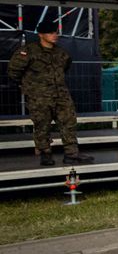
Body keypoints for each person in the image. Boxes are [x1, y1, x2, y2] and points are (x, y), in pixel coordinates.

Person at [8, 19, 94, 166]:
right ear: (41, 34)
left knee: (68, 122)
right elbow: (14, 72)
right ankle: (46, 153)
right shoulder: (28, 51)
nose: (55, 35)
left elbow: (65, 67)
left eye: (55, 32)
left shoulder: (61, 53)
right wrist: (30, 87)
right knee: (42, 125)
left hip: (61, 94)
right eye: (50, 32)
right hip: (39, 96)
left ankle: (71, 154)